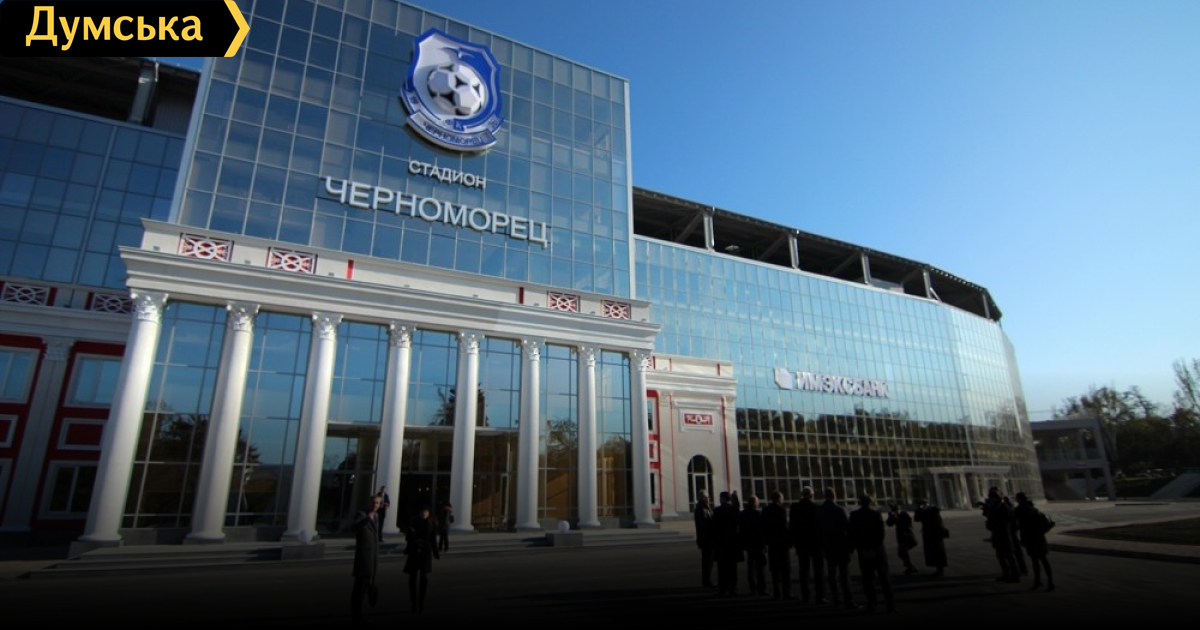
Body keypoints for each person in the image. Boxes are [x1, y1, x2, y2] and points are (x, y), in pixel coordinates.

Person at [849, 493, 895, 613]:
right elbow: (881, 533)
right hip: (877, 550)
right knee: (884, 578)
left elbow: (852, 534)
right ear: (870, 502)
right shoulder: (875, 514)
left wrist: (859, 548)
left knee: (867, 579)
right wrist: (875, 548)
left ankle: (872, 604)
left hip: (863, 550)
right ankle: (890, 605)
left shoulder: (854, 515)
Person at [817, 487, 860, 609]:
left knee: (832, 574)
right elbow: (847, 528)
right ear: (834, 495)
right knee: (844, 575)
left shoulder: (820, 510)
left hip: (828, 546)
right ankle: (848, 599)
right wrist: (851, 546)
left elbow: (818, 529)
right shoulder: (839, 510)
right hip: (841, 545)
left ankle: (836, 598)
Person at [789, 486, 825, 604]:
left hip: (802, 542)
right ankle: (820, 595)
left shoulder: (795, 507)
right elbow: (820, 527)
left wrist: (794, 540)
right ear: (811, 495)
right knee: (818, 570)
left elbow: (792, 526)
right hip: (815, 543)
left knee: (803, 570)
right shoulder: (817, 508)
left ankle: (805, 595)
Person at [1013, 492, 1055, 591]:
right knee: (1044, 560)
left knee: (1035, 561)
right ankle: (1049, 582)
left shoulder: (1020, 510)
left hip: (1029, 538)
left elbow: (1016, 522)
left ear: (1018, 499)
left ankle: (1037, 581)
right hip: (1039, 537)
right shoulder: (1033, 509)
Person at [350, 494, 381, 625]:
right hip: (363, 557)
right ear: (369, 503)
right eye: (373, 502)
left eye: (378, 503)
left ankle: (359, 614)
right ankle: (357, 616)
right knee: (359, 589)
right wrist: (366, 520)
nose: (375, 505)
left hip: (372, 557)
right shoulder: (362, 515)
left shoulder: (377, 516)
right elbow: (354, 528)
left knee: (365, 585)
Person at [404, 505, 440, 613]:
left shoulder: (431, 523)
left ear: (428, 513)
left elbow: (433, 539)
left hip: (425, 553)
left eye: (426, 512)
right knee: (412, 579)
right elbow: (408, 537)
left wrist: (435, 552)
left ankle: (421, 603)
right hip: (414, 552)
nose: (424, 513)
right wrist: (412, 542)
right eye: (422, 511)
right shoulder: (414, 522)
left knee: (424, 578)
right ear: (419, 513)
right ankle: (414, 603)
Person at [982, 487, 1020, 583]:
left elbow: (1006, 519)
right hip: (999, 534)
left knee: (1008, 556)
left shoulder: (1002, 506)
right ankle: (1007, 574)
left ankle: (1014, 575)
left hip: (1004, 534)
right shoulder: (996, 506)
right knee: (1001, 556)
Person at [762, 490, 794, 600]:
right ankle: (786, 592)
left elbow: (764, 528)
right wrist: (789, 541)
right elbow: (784, 527)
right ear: (779, 498)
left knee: (775, 569)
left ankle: (776, 592)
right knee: (785, 569)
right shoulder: (781, 510)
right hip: (782, 543)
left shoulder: (765, 510)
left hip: (772, 543)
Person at [712, 490, 743, 597]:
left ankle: (722, 589)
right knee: (732, 568)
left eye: (720, 498)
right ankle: (732, 588)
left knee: (722, 568)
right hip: (733, 542)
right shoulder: (734, 510)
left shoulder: (717, 510)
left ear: (723, 499)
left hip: (721, 543)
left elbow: (714, 527)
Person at [739, 494, 767, 596]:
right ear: (755, 503)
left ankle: (753, 589)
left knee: (751, 566)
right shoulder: (758, 514)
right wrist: (764, 544)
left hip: (748, 543)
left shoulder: (743, 514)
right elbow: (762, 530)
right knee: (761, 567)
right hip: (758, 543)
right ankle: (761, 589)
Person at [913, 499, 947, 576]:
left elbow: (922, 518)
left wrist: (920, 510)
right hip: (930, 534)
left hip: (934, 534)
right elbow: (917, 518)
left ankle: (940, 569)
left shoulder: (931, 511)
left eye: (922, 505)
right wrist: (918, 510)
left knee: (937, 551)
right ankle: (939, 569)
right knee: (933, 552)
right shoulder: (927, 511)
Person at [886, 502, 919, 574]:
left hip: (907, 536)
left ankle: (910, 566)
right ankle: (910, 566)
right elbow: (889, 524)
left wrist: (896, 518)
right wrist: (891, 517)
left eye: (897, 510)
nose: (896, 512)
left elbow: (907, 524)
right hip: (901, 537)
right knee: (901, 553)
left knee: (902, 552)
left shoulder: (904, 514)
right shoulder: (895, 515)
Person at [693, 492, 716, 588]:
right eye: (707, 497)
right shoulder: (702, 509)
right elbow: (706, 524)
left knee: (708, 560)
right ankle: (706, 581)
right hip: (707, 539)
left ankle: (706, 580)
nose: (709, 499)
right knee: (707, 560)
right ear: (703, 498)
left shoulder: (703, 508)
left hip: (705, 539)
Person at [1004, 493, 1029, 576]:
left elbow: (1014, 520)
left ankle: (1021, 569)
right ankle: (1023, 569)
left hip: (1022, 532)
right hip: (1031, 532)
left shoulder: (1019, 509)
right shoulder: (1029, 506)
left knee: (1017, 551)